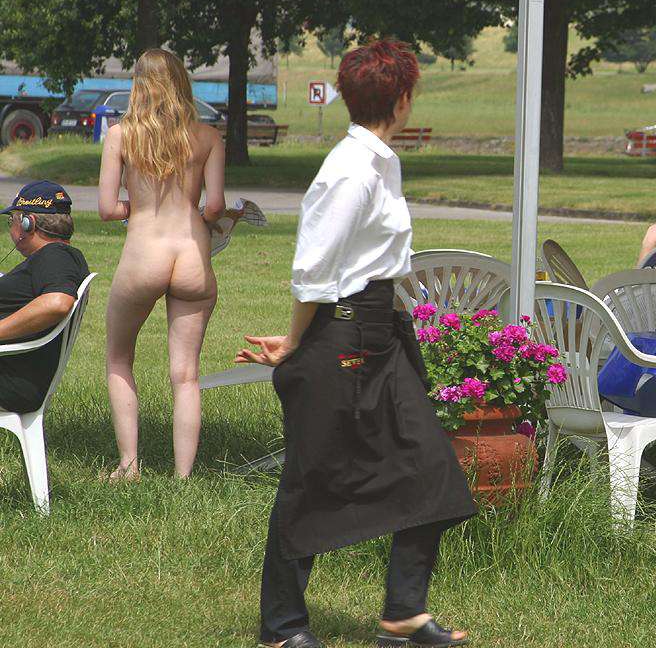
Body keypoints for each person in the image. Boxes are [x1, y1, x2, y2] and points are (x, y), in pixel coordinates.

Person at [235, 40, 475, 648]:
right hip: (341, 332)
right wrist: (297, 341)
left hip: (381, 334)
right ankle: (282, 627)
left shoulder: (379, 163)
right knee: (311, 478)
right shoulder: (349, 170)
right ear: (403, 99)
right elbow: (313, 271)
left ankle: (404, 613)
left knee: (432, 467)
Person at [99, 48, 226, 481]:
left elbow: (106, 208)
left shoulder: (121, 135)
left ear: (139, 84)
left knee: (119, 358)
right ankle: (183, 476)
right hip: (191, 254)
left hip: (144, 253)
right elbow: (214, 206)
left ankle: (129, 464)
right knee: (186, 374)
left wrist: (138, 206)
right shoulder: (207, 137)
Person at [0, 181, 89, 414]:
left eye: (12, 220)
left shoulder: (55, 256)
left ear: (28, 223)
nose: (11, 228)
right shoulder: (56, 257)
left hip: (12, 380)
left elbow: (57, 303)